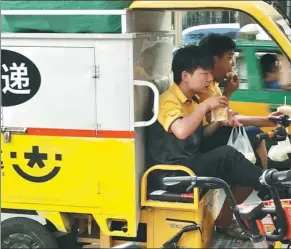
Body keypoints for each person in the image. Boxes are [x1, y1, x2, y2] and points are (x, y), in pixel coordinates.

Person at [147, 45, 265, 240]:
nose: (210, 79)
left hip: (190, 161)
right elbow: (182, 131)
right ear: (185, 76)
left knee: (245, 154)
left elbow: (203, 133)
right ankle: (270, 185)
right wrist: (204, 107)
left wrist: (220, 122)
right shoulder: (168, 100)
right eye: (204, 74)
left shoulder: (192, 100)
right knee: (227, 155)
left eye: (210, 74)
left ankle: (228, 217)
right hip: (172, 173)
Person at [198, 33, 286, 169]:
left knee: (253, 133)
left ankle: (263, 175)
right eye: (229, 58)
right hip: (204, 141)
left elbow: (223, 115)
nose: (232, 64)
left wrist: (228, 92)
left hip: (213, 133)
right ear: (215, 60)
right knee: (253, 134)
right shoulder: (205, 87)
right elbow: (219, 120)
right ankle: (264, 179)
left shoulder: (214, 84)